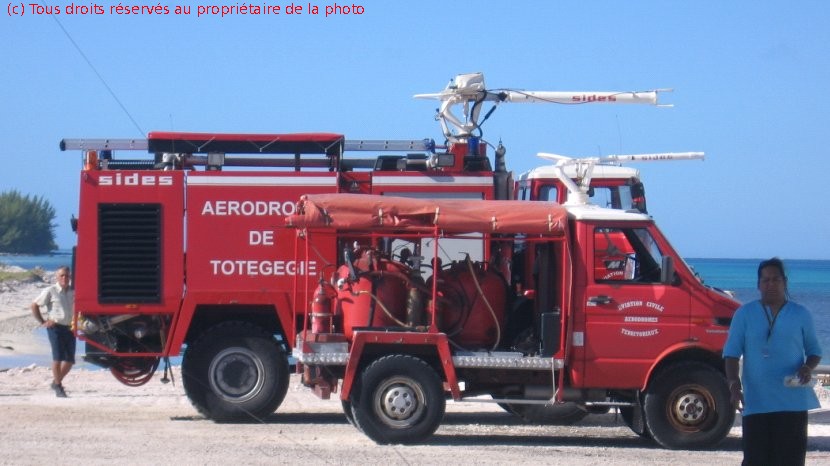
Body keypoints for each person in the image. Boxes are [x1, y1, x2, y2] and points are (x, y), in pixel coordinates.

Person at [723, 257, 822, 466]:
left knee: (790, 461)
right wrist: (734, 385)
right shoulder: (744, 314)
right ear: (758, 285)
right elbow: (731, 354)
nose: (771, 284)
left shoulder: (800, 314)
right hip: (756, 403)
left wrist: (807, 367)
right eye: (765, 280)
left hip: (792, 404)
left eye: (776, 279)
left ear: (785, 282)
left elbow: (814, 352)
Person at [30, 266, 76, 398]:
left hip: (70, 328)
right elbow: (34, 305)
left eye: (67, 275)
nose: (64, 278)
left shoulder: (73, 291)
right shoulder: (50, 290)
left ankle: (56, 382)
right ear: (57, 277)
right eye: (62, 275)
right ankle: (59, 387)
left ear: (70, 277)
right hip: (55, 328)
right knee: (57, 358)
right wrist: (42, 321)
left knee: (70, 360)